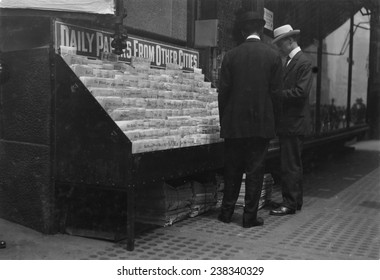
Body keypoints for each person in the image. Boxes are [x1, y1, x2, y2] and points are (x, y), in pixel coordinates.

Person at [218, 11, 283, 227]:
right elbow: (276, 94)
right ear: (261, 31)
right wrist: (274, 121)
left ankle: (226, 213)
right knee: (255, 171)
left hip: (234, 125)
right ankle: (249, 217)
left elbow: (223, 93)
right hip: (260, 125)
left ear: (244, 31)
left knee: (232, 169)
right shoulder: (273, 56)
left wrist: (224, 121)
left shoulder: (231, 55)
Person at [269, 24, 313, 216]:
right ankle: (296, 201)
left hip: (294, 122)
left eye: (280, 43)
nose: (278, 47)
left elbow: (301, 92)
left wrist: (276, 94)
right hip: (291, 122)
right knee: (293, 163)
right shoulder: (291, 60)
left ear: (290, 41)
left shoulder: (303, 62)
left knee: (290, 164)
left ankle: (289, 203)